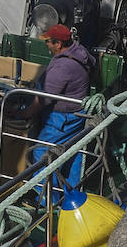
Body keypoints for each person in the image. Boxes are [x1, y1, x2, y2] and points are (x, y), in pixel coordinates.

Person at [29, 24, 94, 190]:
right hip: (77, 115)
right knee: (73, 154)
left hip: (61, 120)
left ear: (58, 44)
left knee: (42, 155)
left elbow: (44, 99)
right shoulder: (79, 52)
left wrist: (23, 113)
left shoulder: (62, 67)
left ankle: (45, 201)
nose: (46, 45)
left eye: (48, 42)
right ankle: (71, 193)